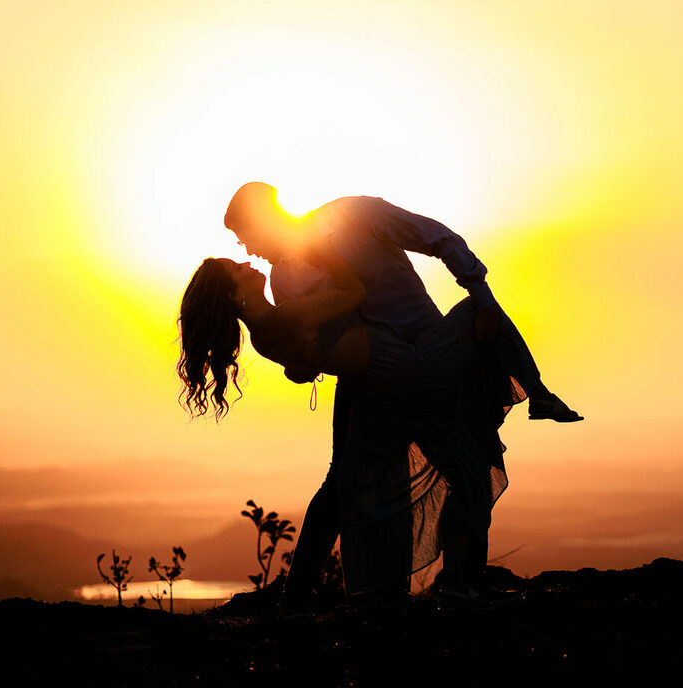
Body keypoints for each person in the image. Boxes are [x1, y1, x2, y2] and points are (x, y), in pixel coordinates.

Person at [223, 183, 580, 607]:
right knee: (353, 484)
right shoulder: (285, 279)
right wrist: (305, 364)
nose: (247, 248)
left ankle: (460, 581)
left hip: (431, 356)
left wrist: (480, 297)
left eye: (246, 234)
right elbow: (317, 342)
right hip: (378, 380)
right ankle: (343, 592)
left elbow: (438, 238)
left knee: (472, 464)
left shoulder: (356, 216)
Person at [176, 242, 500, 607]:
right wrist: (327, 245)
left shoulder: (266, 328)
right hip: (392, 373)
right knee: (479, 310)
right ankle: (443, 583)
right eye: (236, 268)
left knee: (342, 484)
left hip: (363, 380)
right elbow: (352, 293)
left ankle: (304, 590)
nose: (246, 262)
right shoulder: (281, 319)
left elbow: (307, 354)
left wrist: (303, 366)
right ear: (234, 295)